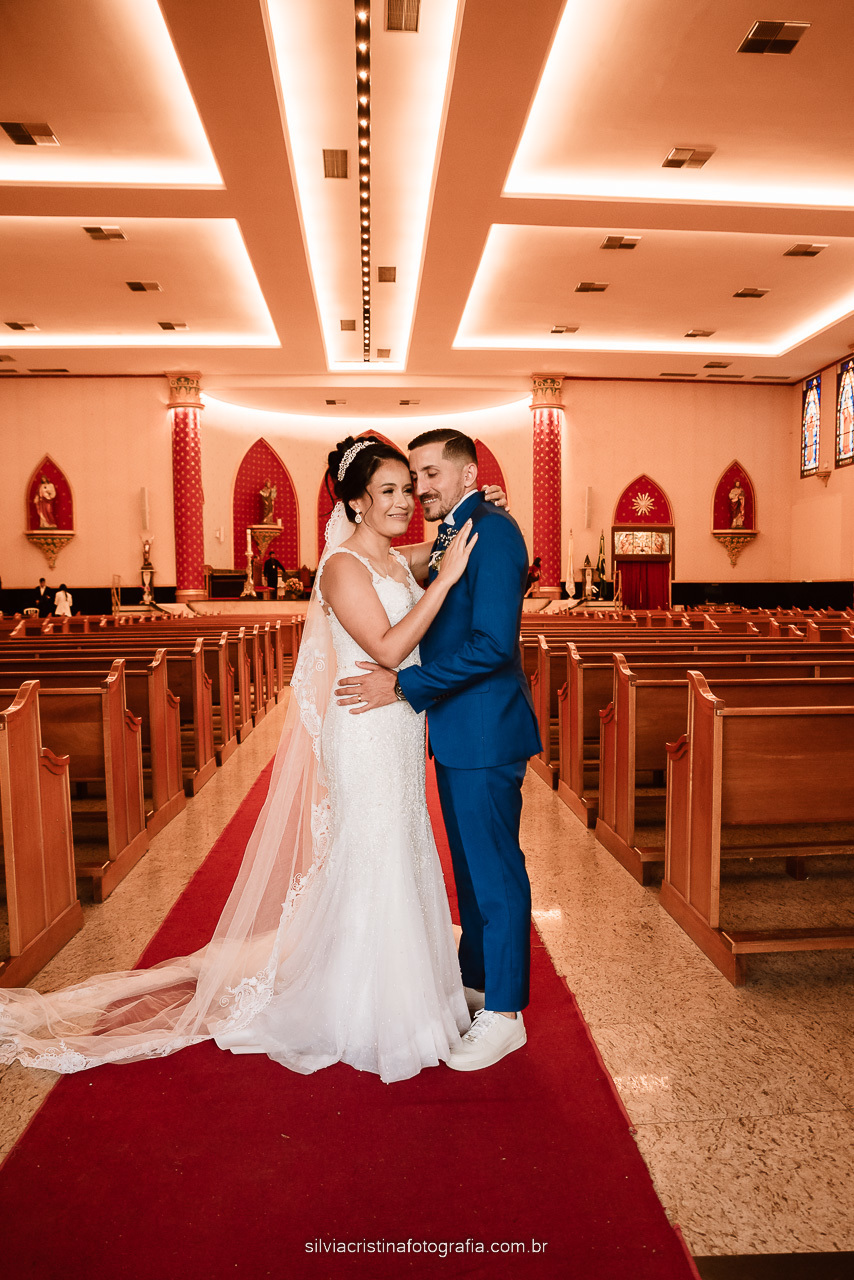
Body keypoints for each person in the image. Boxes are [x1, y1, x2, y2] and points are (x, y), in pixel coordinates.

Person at [0, 436, 499, 1085]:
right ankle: (368, 1008)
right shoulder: (342, 567)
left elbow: (423, 578)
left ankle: (407, 984)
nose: (405, 500)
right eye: (389, 491)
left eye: (409, 488)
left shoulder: (398, 562)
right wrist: (451, 578)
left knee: (402, 845)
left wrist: (468, 523)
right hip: (365, 733)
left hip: (400, 731)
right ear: (354, 500)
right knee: (375, 850)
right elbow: (388, 642)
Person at [335, 429, 541, 1072]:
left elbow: (493, 645)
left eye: (429, 474)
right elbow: (422, 571)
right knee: (474, 878)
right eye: (405, 480)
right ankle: (477, 984)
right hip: (455, 732)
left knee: (497, 875)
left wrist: (403, 683)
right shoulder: (453, 530)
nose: (418, 490)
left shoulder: (492, 530)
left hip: (484, 731)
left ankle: (505, 1015)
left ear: (467, 471)